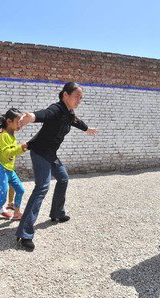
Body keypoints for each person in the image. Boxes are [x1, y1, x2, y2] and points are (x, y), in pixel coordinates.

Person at [15, 82, 98, 251]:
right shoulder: (57, 109)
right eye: (76, 96)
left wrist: (87, 128)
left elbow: (75, 121)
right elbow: (45, 114)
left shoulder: (68, 113)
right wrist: (32, 116)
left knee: (63, 178)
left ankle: (57, 213)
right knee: (42, 187)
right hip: (39, 151)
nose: (79, 100)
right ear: (65, 95)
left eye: (81, 97)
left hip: (51, 154)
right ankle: (24, 233)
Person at [0, 108, 28, 237]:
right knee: (2, 198)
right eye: (18, 122)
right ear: (9, 121)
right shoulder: (4, 135)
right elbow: (7, 152)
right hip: (2, 169)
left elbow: (12, 151)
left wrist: (21, 148)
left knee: (20, 190)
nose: (20, 125)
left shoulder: (11, 134)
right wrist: (22, 147)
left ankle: (17, 213)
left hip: (9, 170)